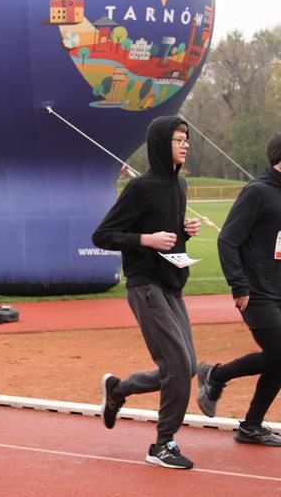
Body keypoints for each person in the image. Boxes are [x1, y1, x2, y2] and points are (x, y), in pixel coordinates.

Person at [92, 116, 201, 470]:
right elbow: (102, 235)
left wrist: (185, 231)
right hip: (145, 285)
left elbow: (168, 233)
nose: (185, 144)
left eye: (186, 139)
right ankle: (163, 444)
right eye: (178, 139)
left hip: (173, 284)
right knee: (177, 365)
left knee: (186, 368)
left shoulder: (179, 184)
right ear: (159, 144)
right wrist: (145, 239)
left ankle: (119, 390)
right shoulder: (140, 187)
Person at [196, 133, 281, 446]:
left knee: (279, 359)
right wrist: (239, 285)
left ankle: (250, 426)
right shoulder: (257, 192)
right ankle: (215, 376)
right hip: (257, 293)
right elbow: (227, 240)